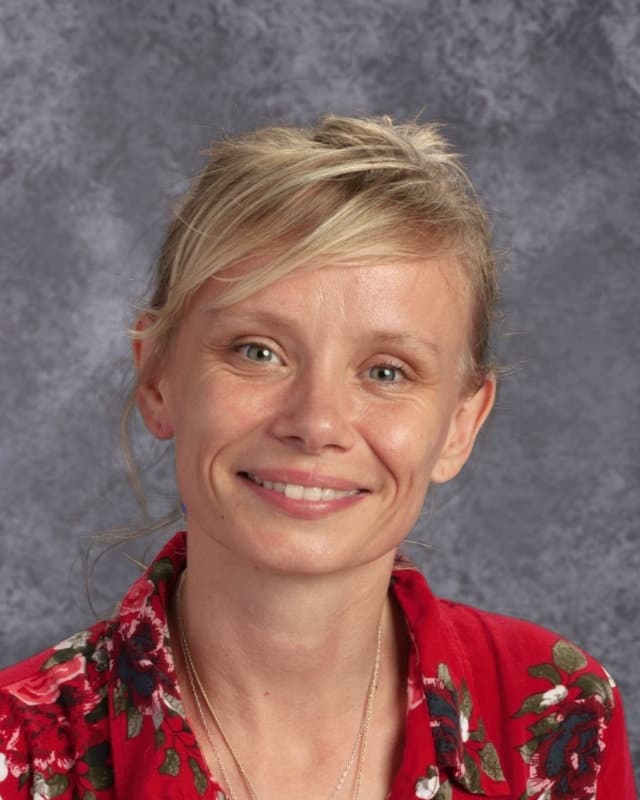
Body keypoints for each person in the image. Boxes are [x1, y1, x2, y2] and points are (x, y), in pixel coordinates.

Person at [0, 115, 635, 800]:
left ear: (459, 424)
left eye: (387, 371)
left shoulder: (561, 718)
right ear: (157, 379)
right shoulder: (19, 751)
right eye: (258, 351)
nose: (316, 423)